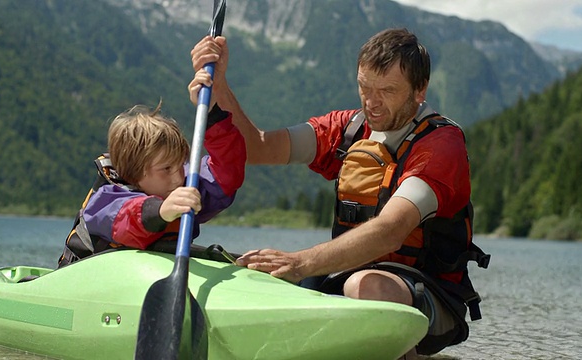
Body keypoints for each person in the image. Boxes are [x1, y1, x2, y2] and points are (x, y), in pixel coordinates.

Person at [190, 28, 490, 358]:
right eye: (364, 86)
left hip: (430, 296)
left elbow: (390, 231)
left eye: (387, 91)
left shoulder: (441, 145)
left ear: (420, 91)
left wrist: (300, 262)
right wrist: (219, 88)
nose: (371, 102)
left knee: (365, 285)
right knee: (256, 274)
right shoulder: (346, 128)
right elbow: (257, 146)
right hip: (346, 276)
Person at [57, 71, 246, 267]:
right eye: (165, 169)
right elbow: (127, 219)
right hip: (84, 278)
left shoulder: (181, 189)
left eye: (180, 164)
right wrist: (162, 211)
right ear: (135, 173)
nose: (177, 178)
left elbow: (225, 174)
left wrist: (212, 113)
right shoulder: (106, 201)